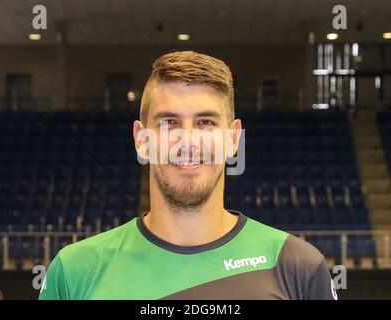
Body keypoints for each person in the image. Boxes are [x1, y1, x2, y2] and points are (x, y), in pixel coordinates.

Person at [39, 50, 337, 300]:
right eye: (169, 122)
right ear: (141, 139)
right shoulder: (74, 271)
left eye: (206, 122)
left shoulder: (299, 267)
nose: (188, 141)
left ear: (234, 139)